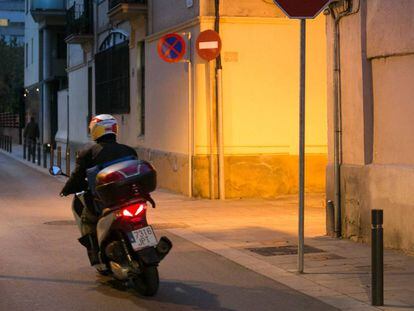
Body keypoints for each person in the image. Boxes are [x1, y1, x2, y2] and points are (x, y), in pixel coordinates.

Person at [60, 114, 137, 265]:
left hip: (105, 201)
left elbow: (77, 176)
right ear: (114, 129)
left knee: (87, 219)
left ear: (95, 130)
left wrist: (66, 189)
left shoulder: (89, 152)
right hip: (129, 198)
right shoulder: (129, 150)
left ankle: (95, 253)